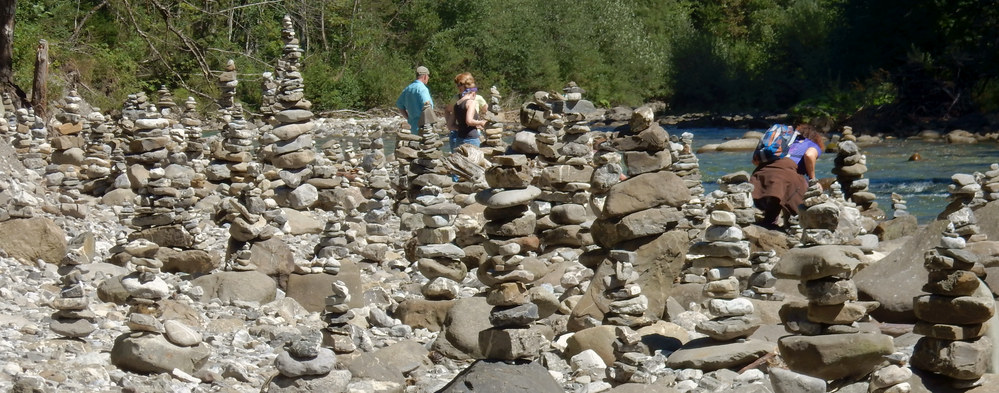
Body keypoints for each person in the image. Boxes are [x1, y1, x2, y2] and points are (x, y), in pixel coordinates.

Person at [749, 124, 819, 230]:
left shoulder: (784, 141)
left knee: (777, 193)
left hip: (762, 171)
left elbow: (755, 161)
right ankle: (795, 225)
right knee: (796, 190)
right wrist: (813, 179)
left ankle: (770, 223)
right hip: (785, 172)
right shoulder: (811, 144)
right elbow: (809, 155)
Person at [446, 73, 487, 151]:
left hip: (459, 139)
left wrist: (461, 128)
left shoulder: (457, 103)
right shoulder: (471, 102)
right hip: (471, 139)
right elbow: (469, 121)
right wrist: (481, 122)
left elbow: (450, 126)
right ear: (472, 92)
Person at [396, 66, 433, 134]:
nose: (428, 78)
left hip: (412, 126)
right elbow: (427, 105)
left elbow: (399, 104)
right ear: (425, 76)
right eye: (428, 76)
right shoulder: (423, 89)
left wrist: (408, 118)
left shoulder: (408, 88)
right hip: (424, 127)